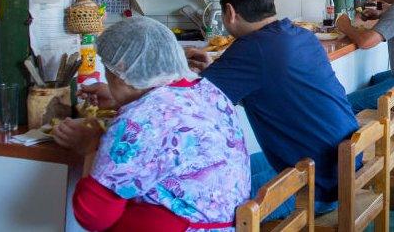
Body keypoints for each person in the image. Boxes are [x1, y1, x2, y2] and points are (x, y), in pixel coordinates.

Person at [182, 0, 358, 219]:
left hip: (316, 188)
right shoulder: (301, 35)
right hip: (343, 168)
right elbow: (269, 86)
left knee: (196, 201)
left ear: (230, 12)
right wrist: (219, 71)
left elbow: (184, 106)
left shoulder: (250, 50)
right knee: (245, 165)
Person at [52, 17, 249, 230]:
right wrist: (122, 99)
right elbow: (165, 124)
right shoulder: (207, 91)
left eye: (108, 72)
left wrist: (91, 146)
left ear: (120, 69)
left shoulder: (139, 120)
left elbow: (93, 216)